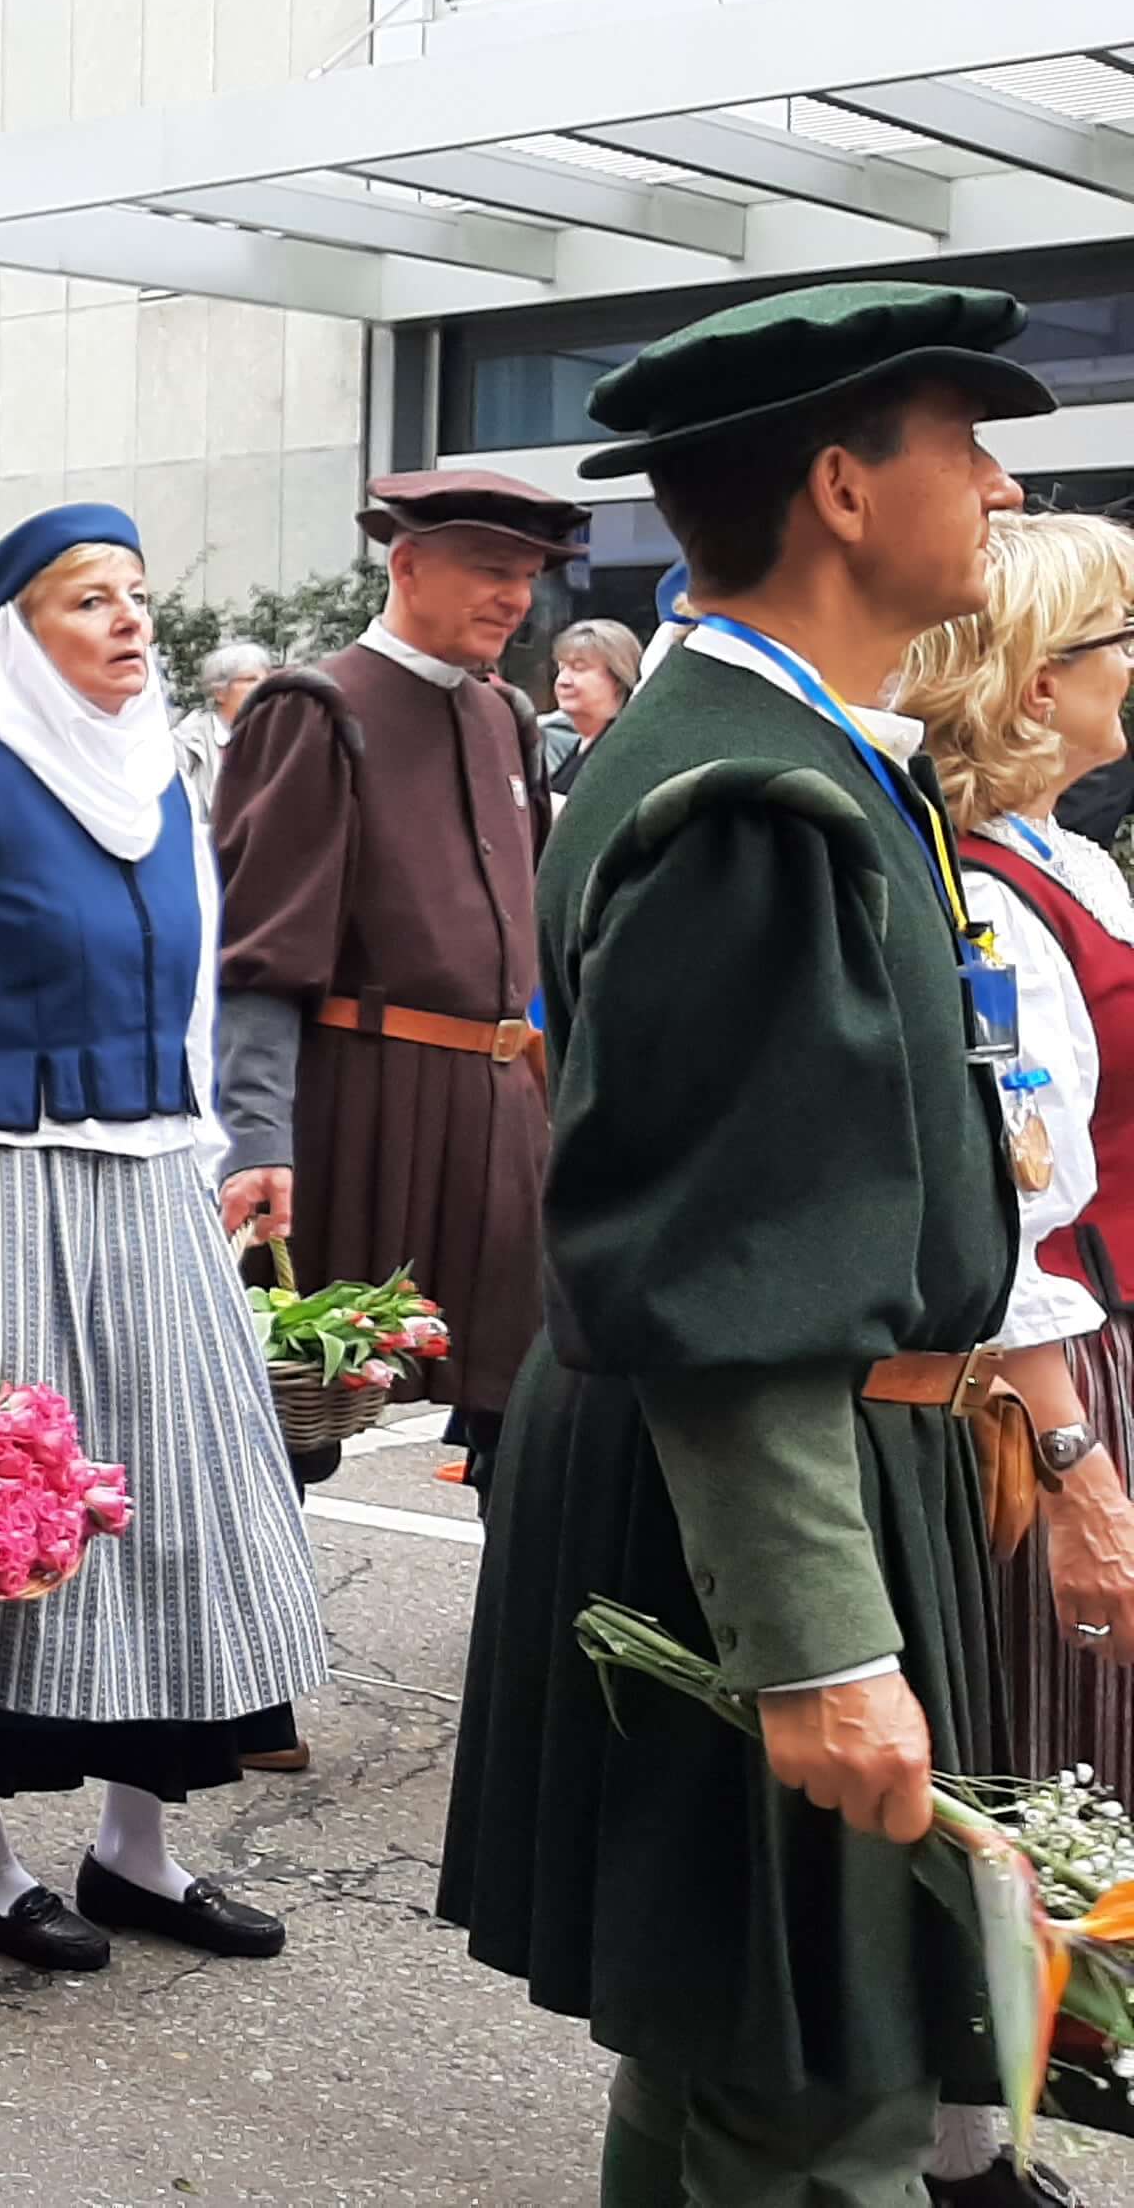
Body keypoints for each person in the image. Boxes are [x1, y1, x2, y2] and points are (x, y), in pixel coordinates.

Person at [437, 280, 1134, 2208]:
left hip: (788, 1461)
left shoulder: (794, 750)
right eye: (963, 444)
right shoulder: (754, 795)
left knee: (745, 2054)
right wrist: (819, 1639)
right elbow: (730, 1273)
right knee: (813, 2087)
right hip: (764, 1482)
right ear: (840, 486)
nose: (999, 483)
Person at [0, 503, 332, 1974]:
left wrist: (219, 1153)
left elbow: (194, 1003)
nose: (129, 621)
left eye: (138, 597)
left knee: (172, 1513)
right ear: (18, 632)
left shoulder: (167, 780)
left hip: (151, 1187)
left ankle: (134, 1851)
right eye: (90, 599)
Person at [897, 511, 1134, 2208]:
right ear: (1043, 675)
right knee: (1031, 1736)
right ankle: (970, 2140)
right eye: (1119, 635)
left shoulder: (1065, 859)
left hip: (1096, 1340)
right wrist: (1077, 1467)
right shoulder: (987, 893)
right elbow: (1018, 1215)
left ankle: (995, 2120)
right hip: (1042, 1371)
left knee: (1068, 1737)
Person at [213, 467, 581, 1554]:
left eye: (527, 577)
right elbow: (260, 960)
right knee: (293, 1416)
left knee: (524, 1404)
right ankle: (240, 1696)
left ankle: (526, 1682)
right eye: (490, 571)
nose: (514, 598)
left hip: (501, 1106)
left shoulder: (509, 716)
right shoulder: (314, 710)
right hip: (355, 1112)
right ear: (406, 564)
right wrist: (259, 1138)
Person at [541, 617, 644, 804]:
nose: (563, 680)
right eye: (561, 668)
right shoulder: (582, 742)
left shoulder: (625, 751)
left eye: (579, 668)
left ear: (618, 679)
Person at [170, 639, 272, 807]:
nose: (263, 687)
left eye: (266, 679)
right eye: (251, 679)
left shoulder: (279, 736)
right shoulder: (187, 743)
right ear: (219, 692)